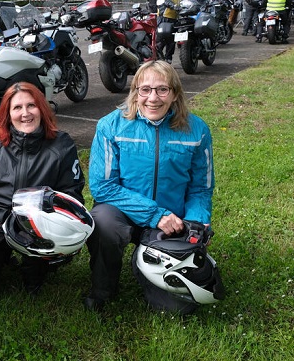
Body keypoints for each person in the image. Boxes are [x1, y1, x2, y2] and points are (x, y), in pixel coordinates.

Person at [83, 61, 214, 312]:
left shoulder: (197, 130)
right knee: (103, 221)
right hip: (124, 212)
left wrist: (196, 222)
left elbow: (201, 188)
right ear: (135, 93)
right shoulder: (110, 126)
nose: (152, 98)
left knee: (177, 309)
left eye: (162, 90)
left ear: (175, 94)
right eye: (145, 90)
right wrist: (155, 214)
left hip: (172, 219)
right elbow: (102, 187)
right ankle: (103, 287)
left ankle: (145, 262)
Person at [0, 82, 85, 299]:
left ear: (42, 108)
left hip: (38, 229)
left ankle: (36, 263)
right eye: (17, 107)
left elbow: (72, 194)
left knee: (37, 279)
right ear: (7, 112)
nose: (25, 114)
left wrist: (58, 229)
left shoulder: (62, 145)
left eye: (31, 105)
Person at [157, 0, 181, 64]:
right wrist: (173, 6)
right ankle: (158, 57)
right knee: (161, 39)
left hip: (174, 18)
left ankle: (168, 59)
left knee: (172, 41)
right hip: (165, 17)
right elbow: (166, 0)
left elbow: (181, 1)